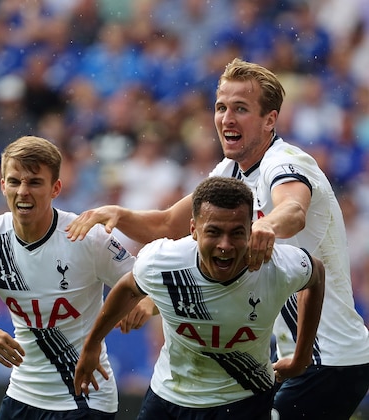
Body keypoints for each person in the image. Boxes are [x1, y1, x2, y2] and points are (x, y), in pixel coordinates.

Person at [66, 57, 369, 419]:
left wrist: (268, 224)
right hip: (295, 356)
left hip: (330, 358)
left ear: (270, 120)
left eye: (241, 109)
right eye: (221, 107)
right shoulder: (231, 172)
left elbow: (294, 209)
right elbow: (168, 224)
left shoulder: (286, 162)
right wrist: (120, 214)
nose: (227, 118)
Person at [0, 135, 153, 419]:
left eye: (34, 182)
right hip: (22, 396)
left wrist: (147, 304)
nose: (23, 191)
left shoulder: (86, 236)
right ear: (2, 186)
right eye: (14, 181)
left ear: (55, 188)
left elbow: (156, 286)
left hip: (85, 396)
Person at [73, 176, 325, 419]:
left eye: (236, 233)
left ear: (251, 230)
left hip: (245, 400)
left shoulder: (278, 267)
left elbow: (317, 275)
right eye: (213, 232)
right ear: (193, 229)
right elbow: (128, 287)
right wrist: (92, 344)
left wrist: (302, 357)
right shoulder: (162, 261)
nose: (224, 245)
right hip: (169, 398)